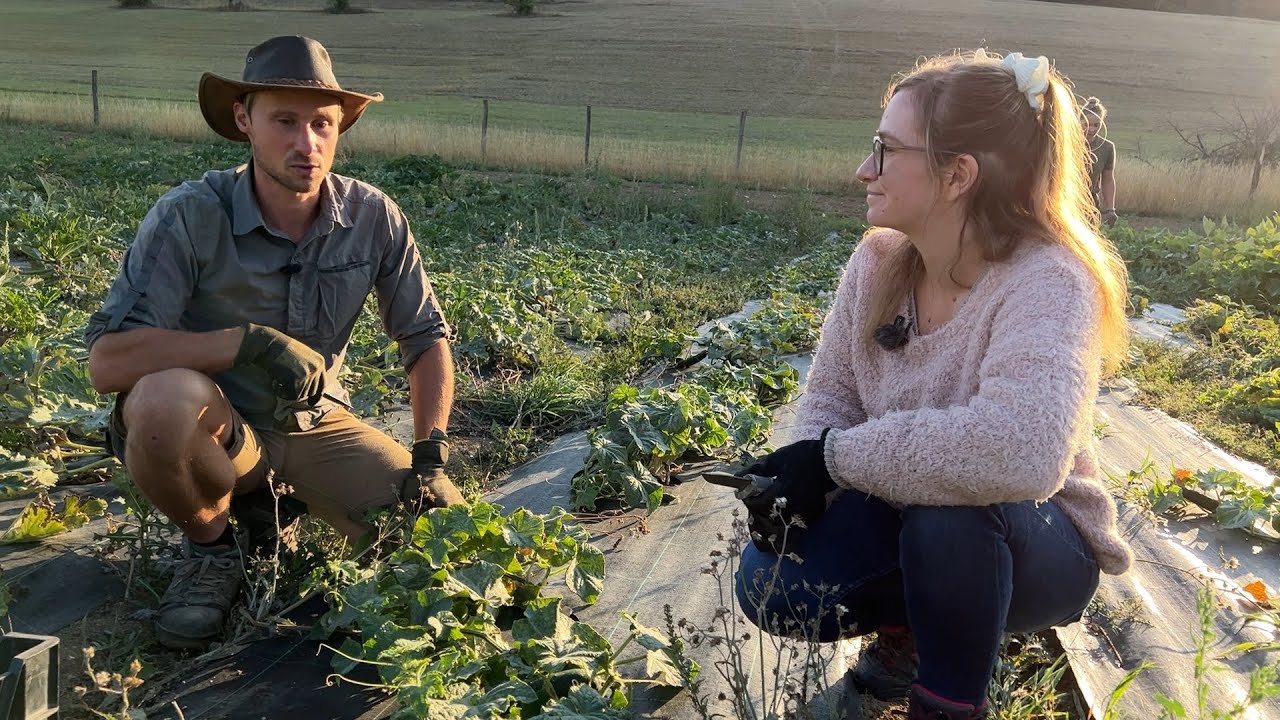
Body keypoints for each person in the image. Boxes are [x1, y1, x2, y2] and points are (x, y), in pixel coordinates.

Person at [731, 50, 1133, 720]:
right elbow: (831, 398)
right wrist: (801, 487)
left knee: (952, 517)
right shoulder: (879, 261)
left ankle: (947, 703)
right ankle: (912, 632)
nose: (864, 169)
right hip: (910, 510)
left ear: (957, 175)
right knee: (771, 583)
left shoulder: (1049, 279)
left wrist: (831, 459)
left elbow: (1019, 453)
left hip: (1040, 540)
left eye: (885, 150)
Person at [84, 36, 464, 651]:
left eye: (321, 124)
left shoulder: (373, 216)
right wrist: (246, 343)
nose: (305, 143)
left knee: (430, 540)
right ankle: (212, 548)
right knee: (160, 403)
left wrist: (432, 455)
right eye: (284, 121)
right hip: (213, 425)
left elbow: (425, 338)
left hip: (314, 425)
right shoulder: (189, 215)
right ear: (244, 120)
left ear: (340, 128)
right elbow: (107, 361)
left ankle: (269, 507)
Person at [1083, 97, 1119, 227]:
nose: (1091, 129)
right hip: (1067, 202)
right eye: (1086, 124)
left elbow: (1108, 179)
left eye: (1096, 125)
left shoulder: (1107, 147)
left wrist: (1110, 209)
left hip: (1091, 204)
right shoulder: (1067, 144)